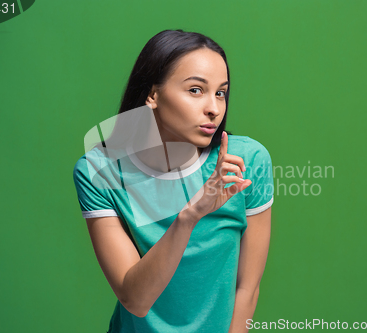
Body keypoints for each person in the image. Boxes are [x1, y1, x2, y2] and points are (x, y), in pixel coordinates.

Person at [72, 29, 274, 333]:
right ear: (153, 95)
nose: (214, 108)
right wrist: (189, 216)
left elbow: (247, 288)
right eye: (196, 90)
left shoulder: (245, 161)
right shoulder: (100, 171)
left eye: (220, 92)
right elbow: (135, 299)